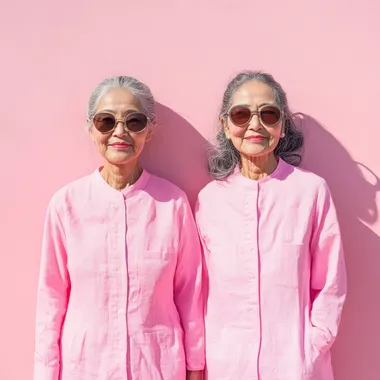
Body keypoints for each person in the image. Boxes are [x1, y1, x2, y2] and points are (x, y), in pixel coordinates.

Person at [34, 76, 205, 380]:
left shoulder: (173, 204)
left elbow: (190, 294)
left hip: (158, 367)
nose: (120, 132)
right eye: (106, 121)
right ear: (91, 128)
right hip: (86, 368)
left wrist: (195, 367)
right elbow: (51, 300)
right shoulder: (66, 205)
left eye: (134, 121)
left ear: (149, 130)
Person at [195, 71, 347, 380]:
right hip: (227, 367)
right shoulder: (208, 201)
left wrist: (315, 344)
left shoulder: (310, 191)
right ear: (226, 125)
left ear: (281, 125)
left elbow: (332, 280)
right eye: (241, 114)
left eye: (268, 114)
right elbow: (197, 290)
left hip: (296, 366)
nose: (255, 125)